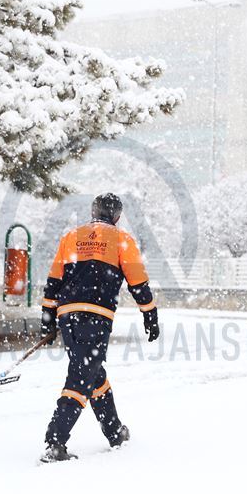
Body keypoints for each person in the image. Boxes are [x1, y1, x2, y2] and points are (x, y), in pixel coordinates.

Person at [39, 193, 160, 462]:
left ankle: (115, 431)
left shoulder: (71, 236)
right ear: (116, 216)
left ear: (94, 211)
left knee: (93, 374)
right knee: (81, 378)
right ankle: (55, 441)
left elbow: (53, 281)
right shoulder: (122, 240)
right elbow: (138, 282)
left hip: (67, 315)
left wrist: (48, 317)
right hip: (95, 316)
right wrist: (150, 314)